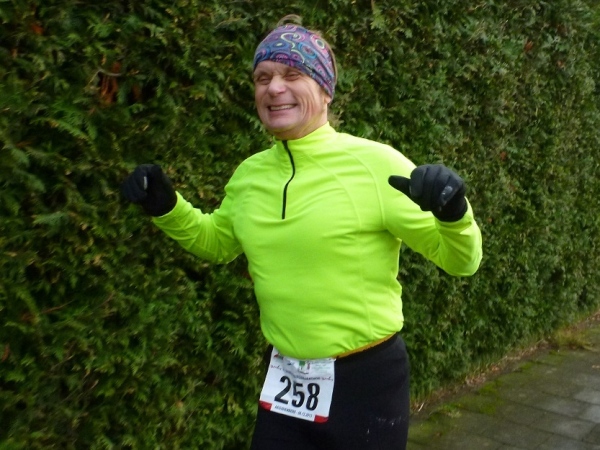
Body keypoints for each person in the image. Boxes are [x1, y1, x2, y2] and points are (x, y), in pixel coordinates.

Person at [122, 15, 482, 450]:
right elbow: (217, 244)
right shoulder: (250, 174)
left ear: (325, 90)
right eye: (263, 77)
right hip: (286, 379)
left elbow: (461, 262)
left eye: (292, 74)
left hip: (366, 383)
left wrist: (454, 214)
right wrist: (167, 207)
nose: (274, 88)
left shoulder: (376, 165)